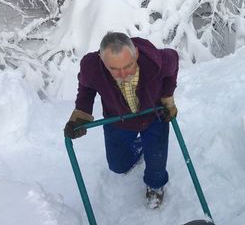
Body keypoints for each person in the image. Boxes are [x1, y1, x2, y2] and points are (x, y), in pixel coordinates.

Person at [64, 32, 179, 209]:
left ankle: (155, 186)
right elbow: (86, 88)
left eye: (129, 66)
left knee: (156, 164)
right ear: (103, 62)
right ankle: (140, 146)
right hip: (118, 120)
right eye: (114, 69)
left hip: (154, 116)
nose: (124, 74)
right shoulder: (92, 67)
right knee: (118, 166)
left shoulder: (156, 61)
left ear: (137, 54)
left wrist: (167, 96)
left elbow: (174, 61)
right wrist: (82, 113)